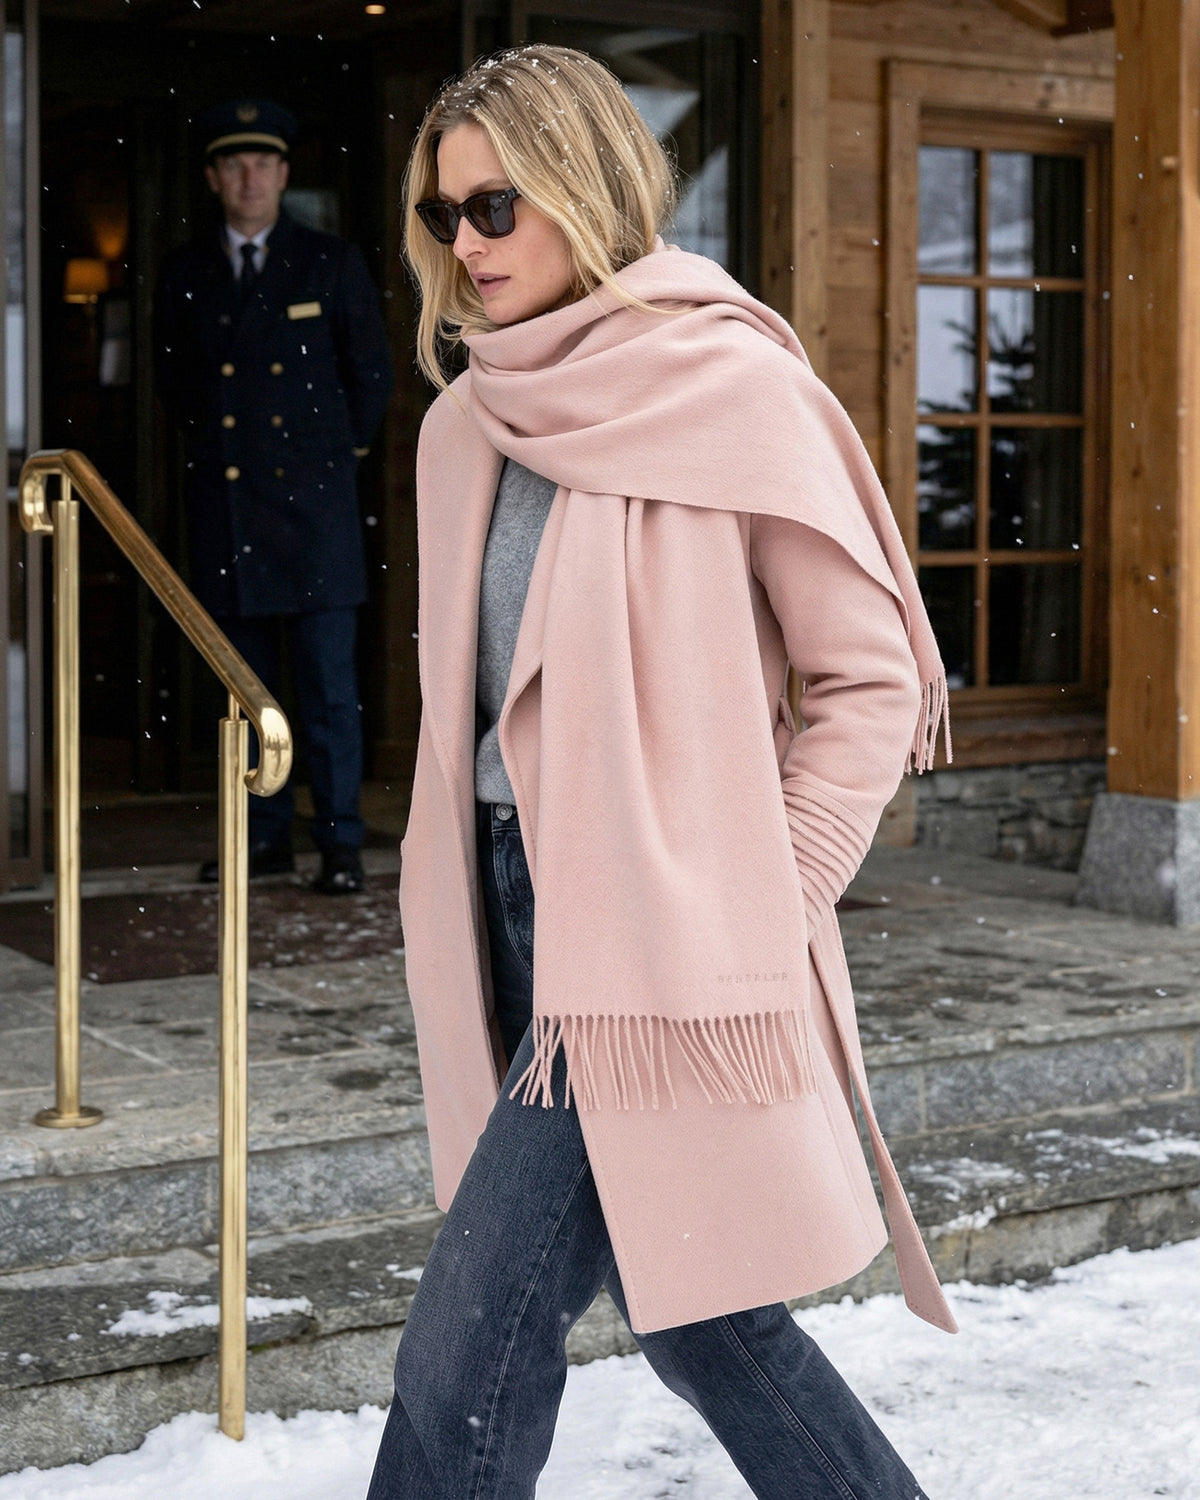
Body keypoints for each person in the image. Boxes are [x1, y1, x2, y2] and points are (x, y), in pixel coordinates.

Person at [367, 44, 956, 1499]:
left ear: (586, 184)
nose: (466, 243)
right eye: (444, 213)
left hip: (653, 938)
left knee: (465, 1355)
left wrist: (768, 892)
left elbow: (871, 680)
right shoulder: (465, 422)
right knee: (707, 1321)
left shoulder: (729, 387)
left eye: (496, 205)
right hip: (504, 903)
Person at [155, 99, 393, 894]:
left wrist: (330, 458)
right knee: (244, 695)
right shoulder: (187, 272)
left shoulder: (328, 261)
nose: (249, 178)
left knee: (328, 695)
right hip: (230, 512)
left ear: (284, 175)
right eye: (234, 164)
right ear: (214, 178)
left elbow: (372, 378)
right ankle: (261, 839)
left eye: (263, 163)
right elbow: (176, 389)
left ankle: (340, 844)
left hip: (316, 516)